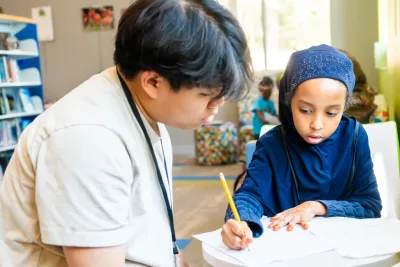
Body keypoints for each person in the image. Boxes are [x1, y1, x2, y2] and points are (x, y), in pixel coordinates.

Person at [0, 1, 252, 266]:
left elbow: (153, 234)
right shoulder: (88, 140)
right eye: (207, 96)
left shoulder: (142, 107)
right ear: (153, 82)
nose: (218, 105)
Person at [220, 45, 382, 251]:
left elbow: (369, 205)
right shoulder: (272, 143)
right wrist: (241, 221)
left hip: (342, 251)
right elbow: (249, 195)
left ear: (344, 107)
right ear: (289, 102)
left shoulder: (355, 137)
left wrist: (317, 207)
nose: (317, 124)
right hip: (286, 250)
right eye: (305, 110)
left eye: (332, 113)